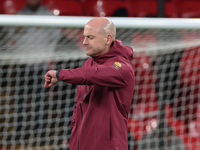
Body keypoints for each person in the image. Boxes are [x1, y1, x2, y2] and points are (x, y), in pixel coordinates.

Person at [44, 17, 135, 150]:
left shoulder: (122, 67)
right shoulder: (89, 63)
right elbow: (79, 103)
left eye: (90, 37)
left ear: (108, 39)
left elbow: (92, 75)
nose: (84, 42)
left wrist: (60, 74)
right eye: (84, 37)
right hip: (82, 143)